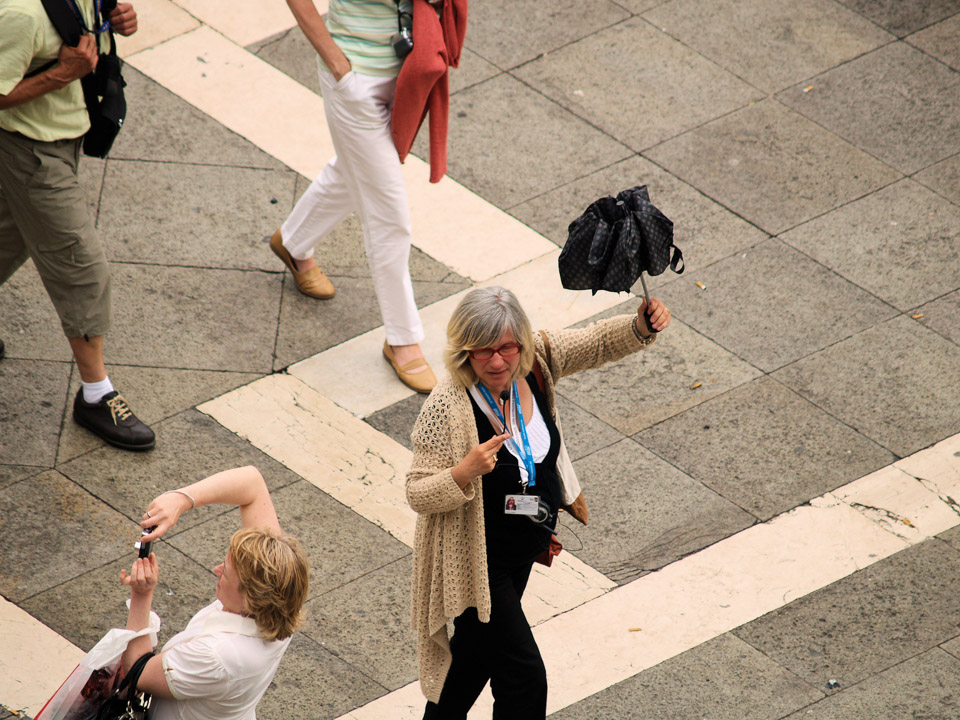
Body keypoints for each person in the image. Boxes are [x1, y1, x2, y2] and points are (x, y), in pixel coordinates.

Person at [406, 286, 671, 719]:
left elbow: (598, 341)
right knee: (525, 679)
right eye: (482, 351)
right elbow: (417, 491)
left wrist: (641, 325)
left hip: (523, 548)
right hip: (477, 565)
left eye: (507, 348)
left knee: (470, 665)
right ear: (464, 352)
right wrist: (463, 472)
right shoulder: (447, 406)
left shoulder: (539, 361)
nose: (497, 361)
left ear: (523, 344)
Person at [0, 0, 155, 450]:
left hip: (60, 134)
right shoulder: (21, 15)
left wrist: (117, 23)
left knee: (9, 239)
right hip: (30, 150)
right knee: (81, 267)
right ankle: (96, 395)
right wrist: (59, 75)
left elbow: (89, 30)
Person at [272, 0, 439, 394]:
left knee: (355, 171)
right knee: (389, 215)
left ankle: (293, 242)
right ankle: (402, 338)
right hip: (353, 79)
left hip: (407, 72)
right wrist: (337, 63)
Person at [118, 466, 309, 720]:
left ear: (251, 598)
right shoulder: (283, 597)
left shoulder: (217, 656)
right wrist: (181, 499)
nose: (217, 569)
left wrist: (141, 596)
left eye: (227, 573)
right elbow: (251, 484)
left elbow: (138, 671)